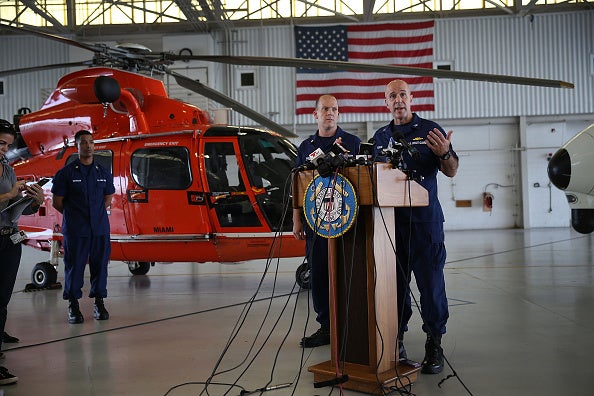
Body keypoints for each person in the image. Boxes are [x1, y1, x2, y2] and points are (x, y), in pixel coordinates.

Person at [371, 79, 458, 374]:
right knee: (393, 290)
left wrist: (445, 152)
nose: (398, 100)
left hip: (426, 225)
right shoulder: (380, 137)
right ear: (386, 102)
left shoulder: (430, 131)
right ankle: (397, 339)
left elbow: (451, 170)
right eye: (392, 96)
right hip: (391, 227)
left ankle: (435, 343)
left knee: (431, 287)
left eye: (402, 94)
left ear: (411, 98)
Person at [292, 94, 361, 348]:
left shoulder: (352, 142)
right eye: (325, 109)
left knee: (349, 273)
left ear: (339, 114)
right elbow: (298, 185)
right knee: (320, 274)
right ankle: (326, 327)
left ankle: (351, 324)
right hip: (316, 223)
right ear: (315, 114)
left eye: (334, 109)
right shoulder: (305, 146)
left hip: (348, 222)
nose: (329, 113)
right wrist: (296, 219)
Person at [51, 130, 115, 324]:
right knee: (74, 267)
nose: (88, 146)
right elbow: (57, 202)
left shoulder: (103, 172)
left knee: (100, 266)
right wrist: (76, 216)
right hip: (76, 230)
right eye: (84, 143)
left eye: (91, 142)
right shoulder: (66, 174)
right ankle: (73, 305)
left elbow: (107, 199)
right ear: (77, 146)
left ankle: (99, 302)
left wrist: (94, 216)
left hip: (100, 229)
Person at [0, 119, 45, 385]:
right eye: (0, 143)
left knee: (2, 301)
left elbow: (14, 210)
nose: (4, 149)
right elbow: (6, 199)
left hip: (8, 240)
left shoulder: (8, 171)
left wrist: (32, 201)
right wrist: (9, 195)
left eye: (7, 145)